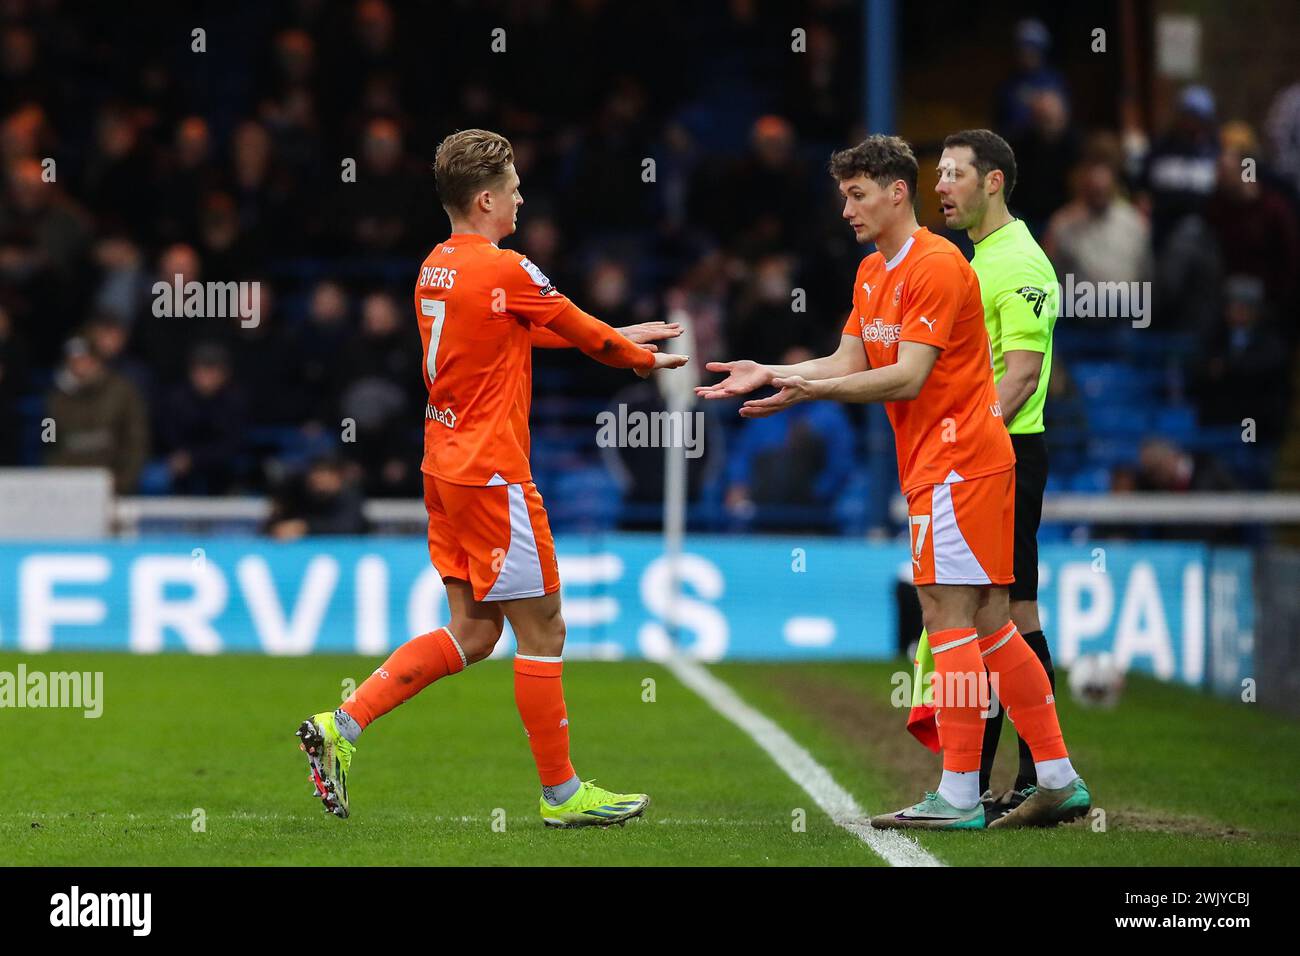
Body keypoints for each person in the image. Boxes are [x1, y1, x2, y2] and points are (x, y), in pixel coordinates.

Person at [296, 129, 688, 827]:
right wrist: (633, 354)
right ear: (485, 199)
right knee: (546, 633)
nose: (520, 197)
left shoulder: (434, 267)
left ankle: (342, 725)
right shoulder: (507, 266)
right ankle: (563, 794)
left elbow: (522, 328)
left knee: (474, 632)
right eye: (512, 188)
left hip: (442, 470)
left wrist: (616, 332)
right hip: (492, 475)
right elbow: (582, 333)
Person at [698, 135, 1088, 830]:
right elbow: (846, 356)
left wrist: (803, 391)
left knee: (949, 616)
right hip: (945, 462)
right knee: (993, 621)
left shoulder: (935, 265)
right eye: (843, 195)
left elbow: (909, 375)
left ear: (896, 192)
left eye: (857, 195)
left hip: (959, 459)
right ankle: (1055, 775)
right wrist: (776, 372)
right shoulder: (873, 272)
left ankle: (961, 794)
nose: (846, 209)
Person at [930, 129, 1061, 820]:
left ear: (994, 182)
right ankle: (999, 779)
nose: (940, 186)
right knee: (995, 615)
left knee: (1000, 615)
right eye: (938, 174)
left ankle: (1028, 777)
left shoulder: (1020, 263)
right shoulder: (982, 259)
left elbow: (1022, 377)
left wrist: (960, 444)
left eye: (954, 174)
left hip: (1005, 457)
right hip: (991, 457)